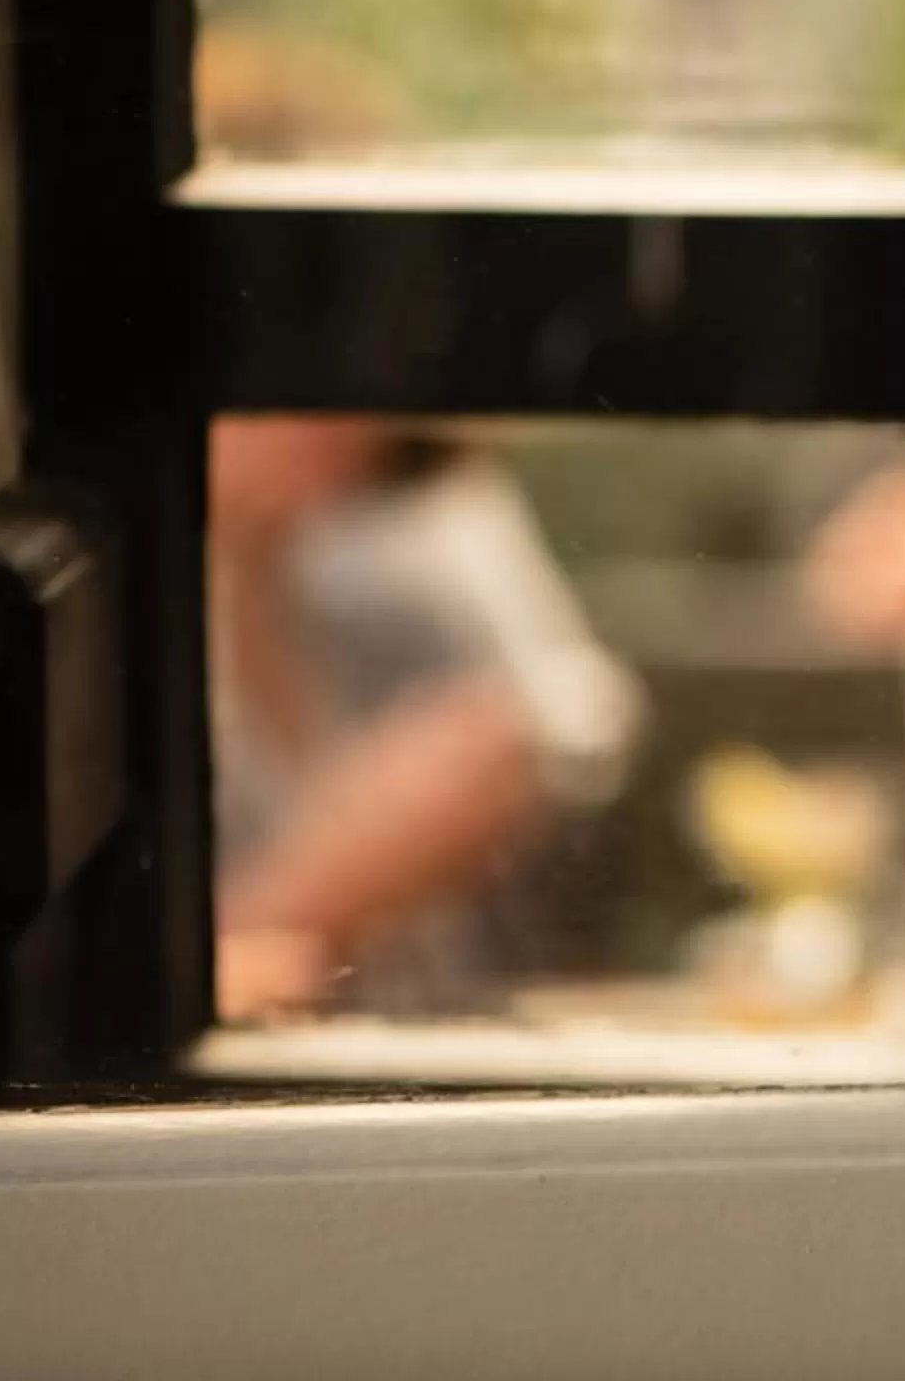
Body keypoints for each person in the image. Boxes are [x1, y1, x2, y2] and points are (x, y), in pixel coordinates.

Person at [211, 416, 644, 1020]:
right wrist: (327, 879)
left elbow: (567, 712)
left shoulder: (290, 567)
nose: (338, 455)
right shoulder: (147, 606)